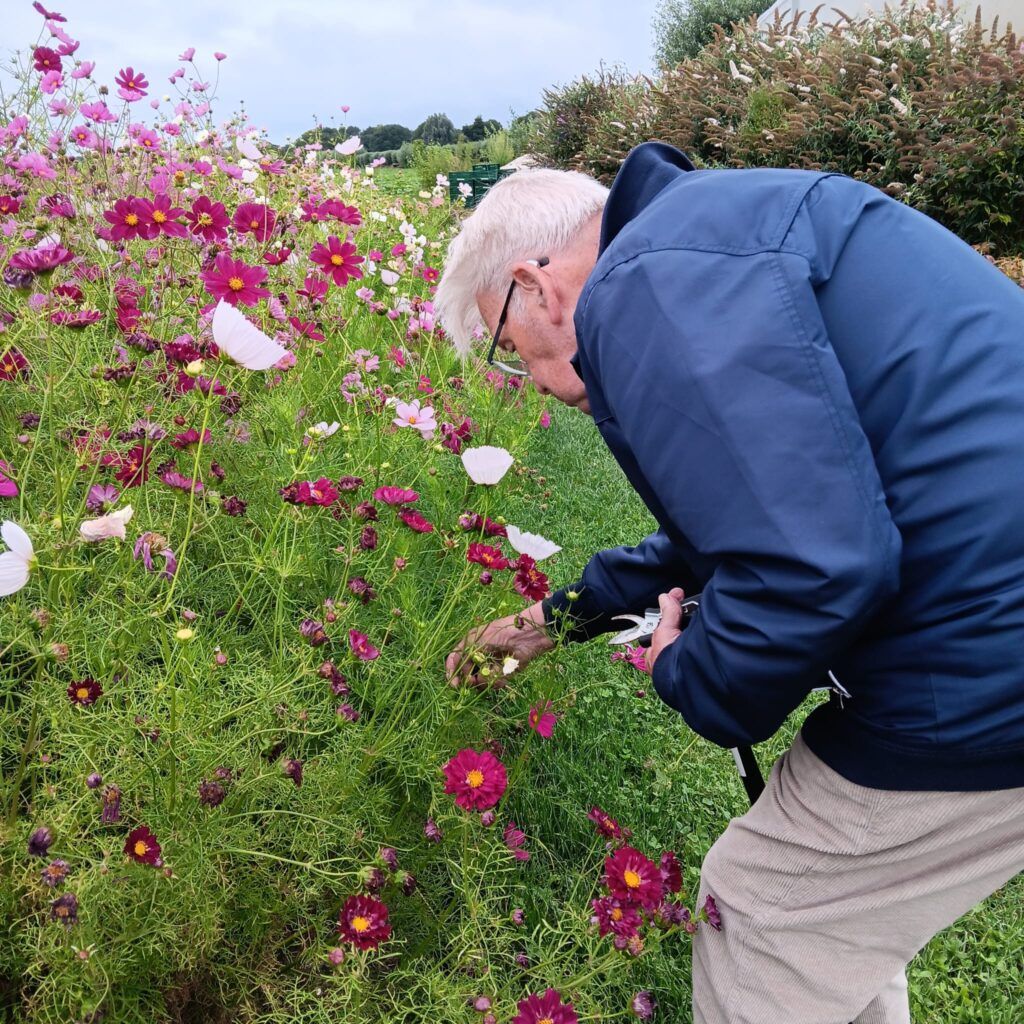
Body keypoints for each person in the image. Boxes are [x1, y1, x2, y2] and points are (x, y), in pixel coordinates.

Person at [435, 141, 1024, 1023]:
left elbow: (816, 566)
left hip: (982, 660)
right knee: (828, 926)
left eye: (510, 350)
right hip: (990, 611)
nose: (532, 381)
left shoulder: (646, 286)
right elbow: (759, 506)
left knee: (763, 908)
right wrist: (560, 617)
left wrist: (692, 674)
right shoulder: (704, 237)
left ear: (538, 283)